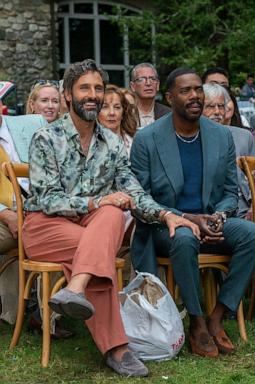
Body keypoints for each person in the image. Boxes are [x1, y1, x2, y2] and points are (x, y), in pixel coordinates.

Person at [22, 59, 198, 377]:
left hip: (90, 230)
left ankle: (76, 289)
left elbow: (133, 191)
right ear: (67, 95)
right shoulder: (45, 139)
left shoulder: (112, 142)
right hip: (44, 227)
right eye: (84, 88)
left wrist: (165, 215)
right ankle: (117, 348)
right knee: (103, 230)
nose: (93, 95)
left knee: (113, 213)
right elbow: (47, 199)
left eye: (98, 88)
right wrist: (97, 200)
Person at [130, 68, 255, 358]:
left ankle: (218, 315)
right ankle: (197, 322)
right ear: (169, 97)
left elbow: (230, 190)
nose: (194, 96)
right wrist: (189, 219)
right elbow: (140, 198)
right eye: (185, 91)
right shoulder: (147, 139)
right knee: (184, 238)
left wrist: (219, 216)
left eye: (198, 89)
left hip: (210, 220)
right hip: (164, 226)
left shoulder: (220, 135)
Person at [0, 101, 46, 326]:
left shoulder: (34, 124)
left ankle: (47, 314)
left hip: (40, 205)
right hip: (4, 212)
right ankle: (10, 311)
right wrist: (5, 214)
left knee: (62, 233)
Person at [202, 83, 255, 218]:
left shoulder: (244, 136)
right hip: (206, 211)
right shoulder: (191, 139)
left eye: (221, 106)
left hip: (243, 207)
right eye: (210, 106)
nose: (217, 112)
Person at [98, 85, 138, 157]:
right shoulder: (88, 144)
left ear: (123, 112)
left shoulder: (137, 141)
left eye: (117, 107)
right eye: (105, 107)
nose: (112, 113)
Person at [129, 63, 171, 128]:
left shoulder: (169, 114)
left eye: (153, 79)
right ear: (132, 86)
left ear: (157, 85)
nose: (148, 83)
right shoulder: (126, 114)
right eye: (142, 79)